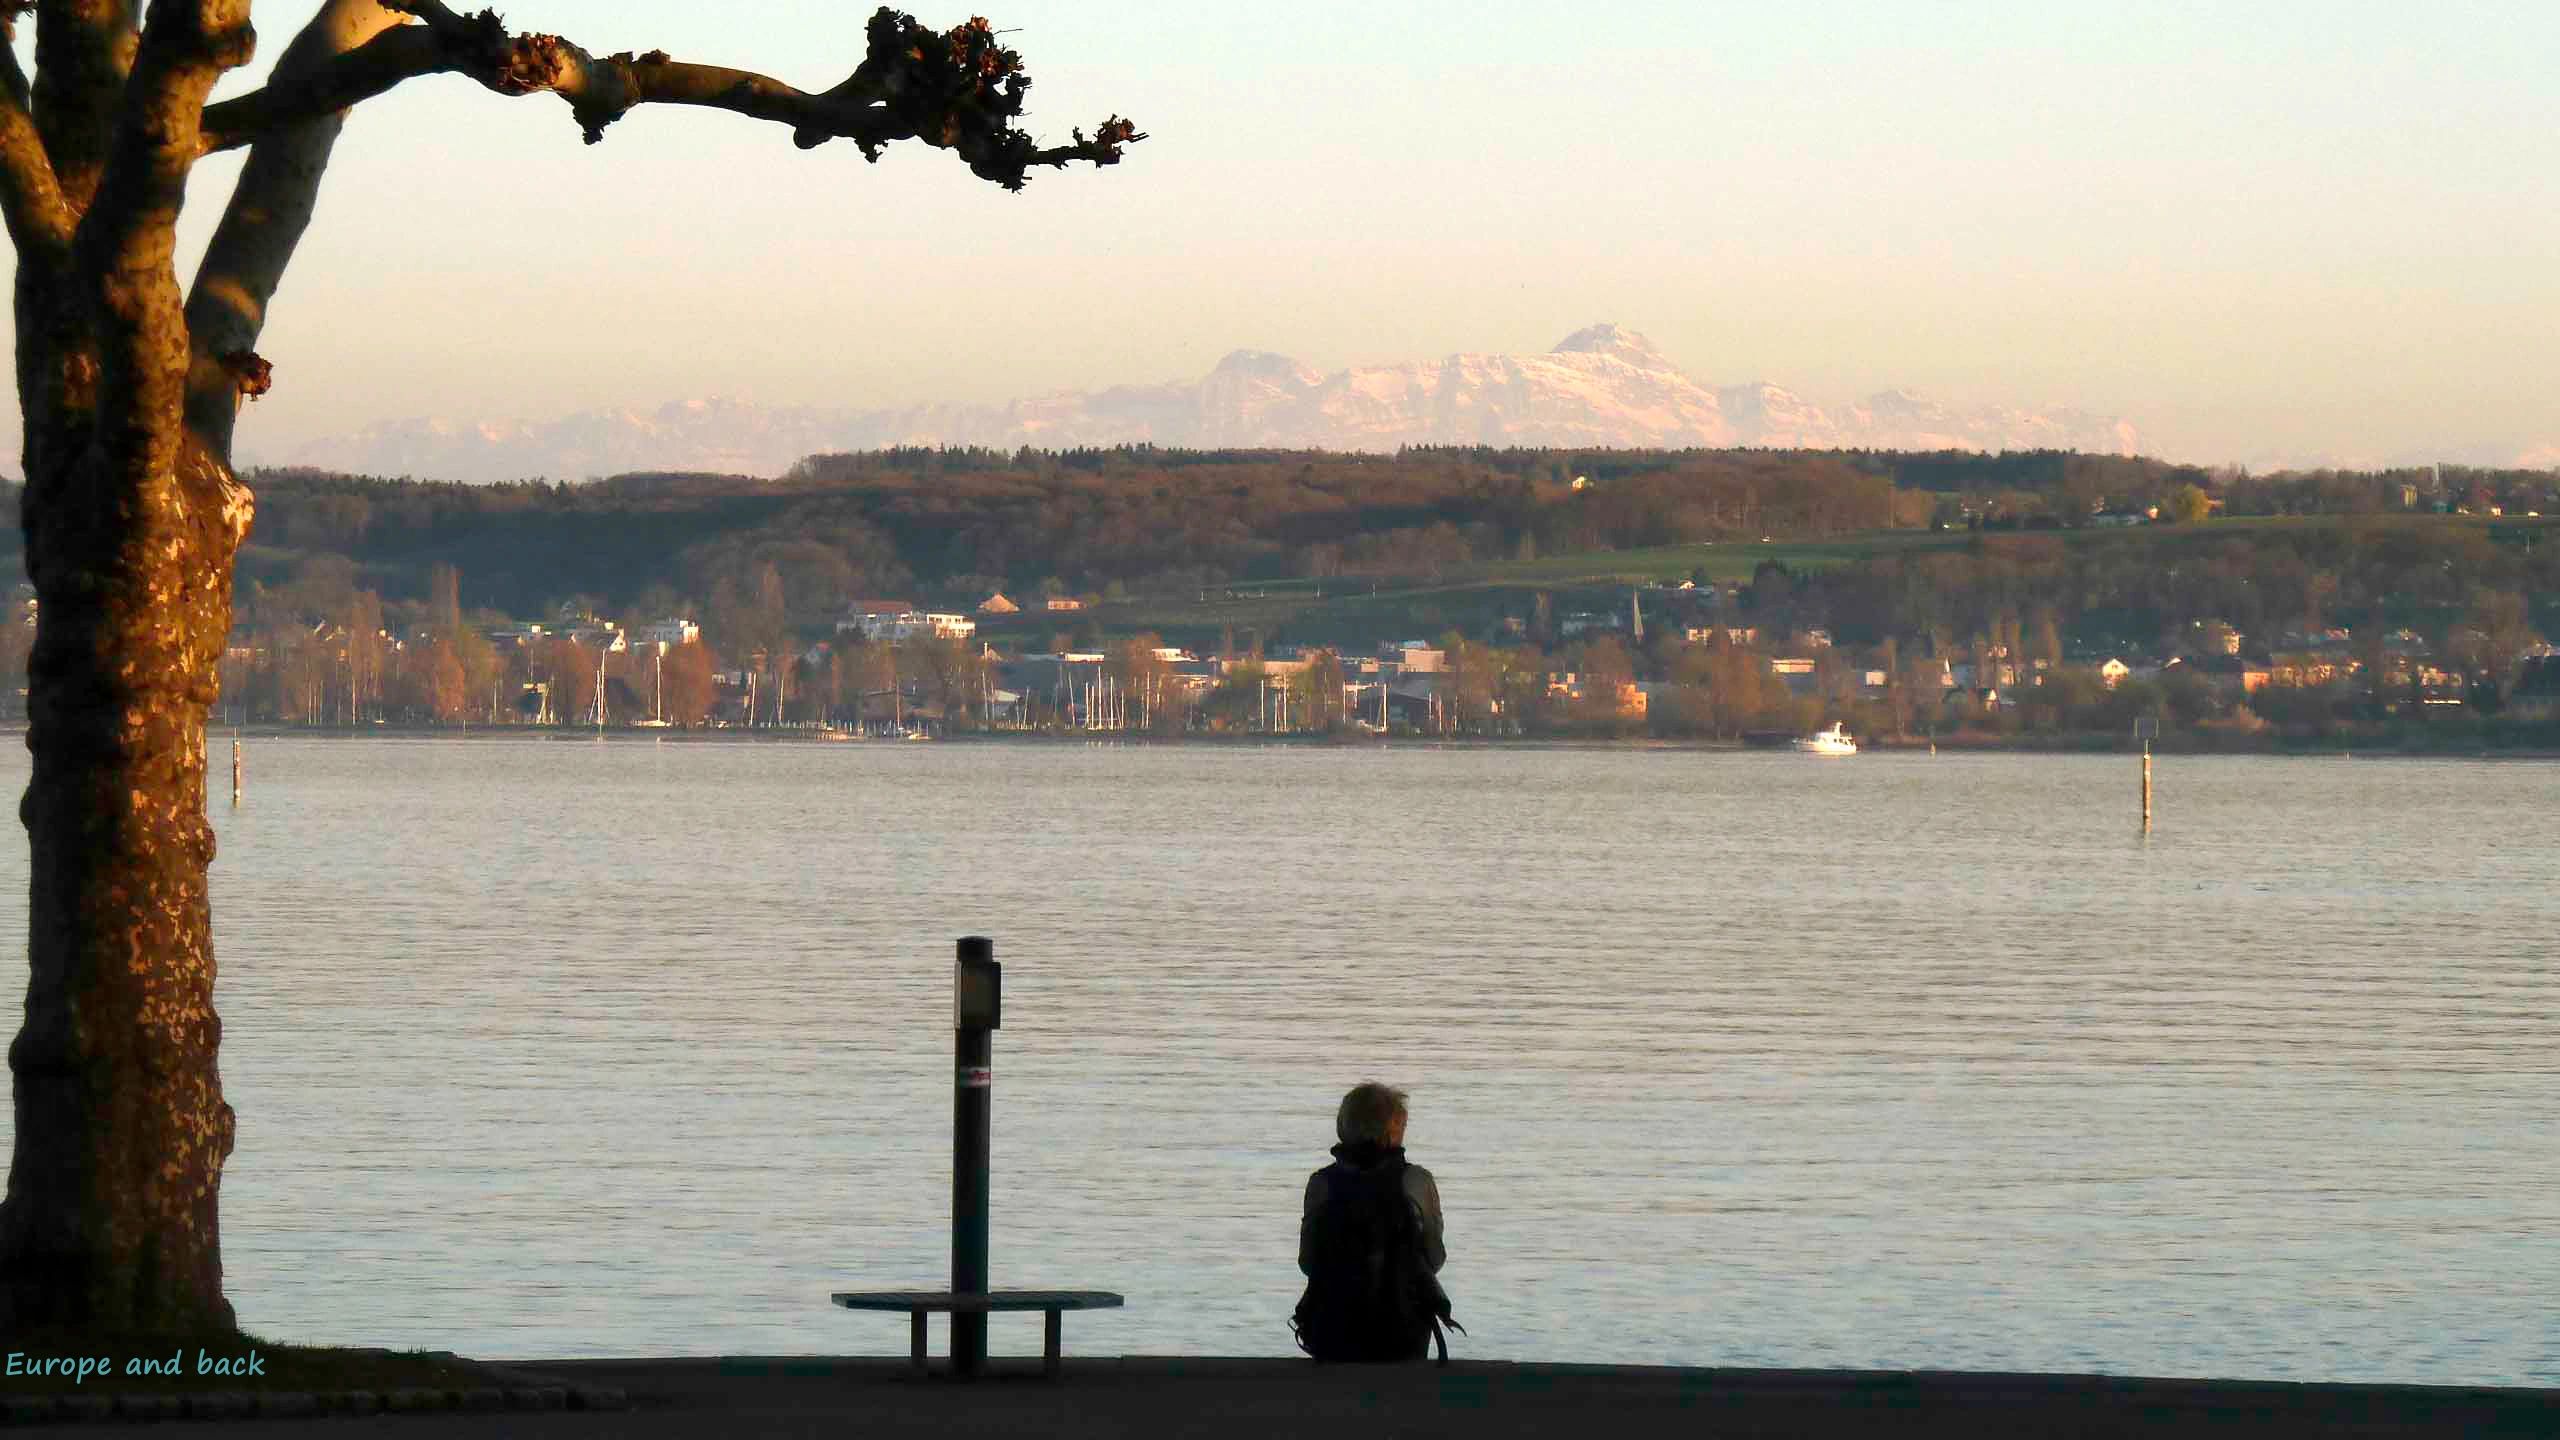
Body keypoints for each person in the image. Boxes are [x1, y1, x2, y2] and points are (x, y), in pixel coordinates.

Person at [1292, 1081, 1458, 1362]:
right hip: (1402, 1334)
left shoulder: (1321, 1184)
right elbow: (1434, 1258)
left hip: (1333, 1332)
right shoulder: (1417, 1182)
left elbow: (1308, 1262)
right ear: (1393, 1130)